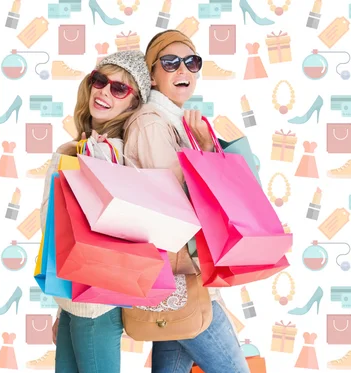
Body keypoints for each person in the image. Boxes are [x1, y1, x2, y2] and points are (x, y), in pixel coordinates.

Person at [123, 30, 251, 373]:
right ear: (152, 74)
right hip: (180, 271)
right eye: (170, 62)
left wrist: (206, 148)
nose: (183, 70)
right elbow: (174, 209)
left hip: (179, 275)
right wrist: (207, 153)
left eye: (192, 62)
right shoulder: (152, 124)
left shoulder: (175, 122)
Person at [39, 50, 151, 373]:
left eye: (120, 89)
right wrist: (63, 307)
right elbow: (68, 231)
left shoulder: (110, 153)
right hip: (74, 299)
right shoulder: (79, 147)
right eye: (100, 81)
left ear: (133, 104)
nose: (104, 91)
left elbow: (112, 231)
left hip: (96, 307)